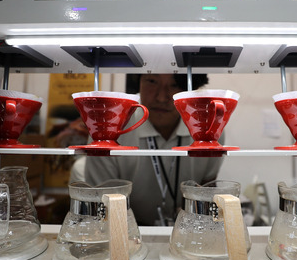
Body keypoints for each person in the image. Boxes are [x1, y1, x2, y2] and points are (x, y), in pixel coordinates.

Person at [70, 73, 225, 226]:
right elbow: (101, 206)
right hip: (123, 225)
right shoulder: (109, 127)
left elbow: (207, 188)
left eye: (174, 85)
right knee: (79, 168)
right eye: (152, 81)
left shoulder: (209, 128)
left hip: (183, 225)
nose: (161, 97)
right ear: (138, 82)